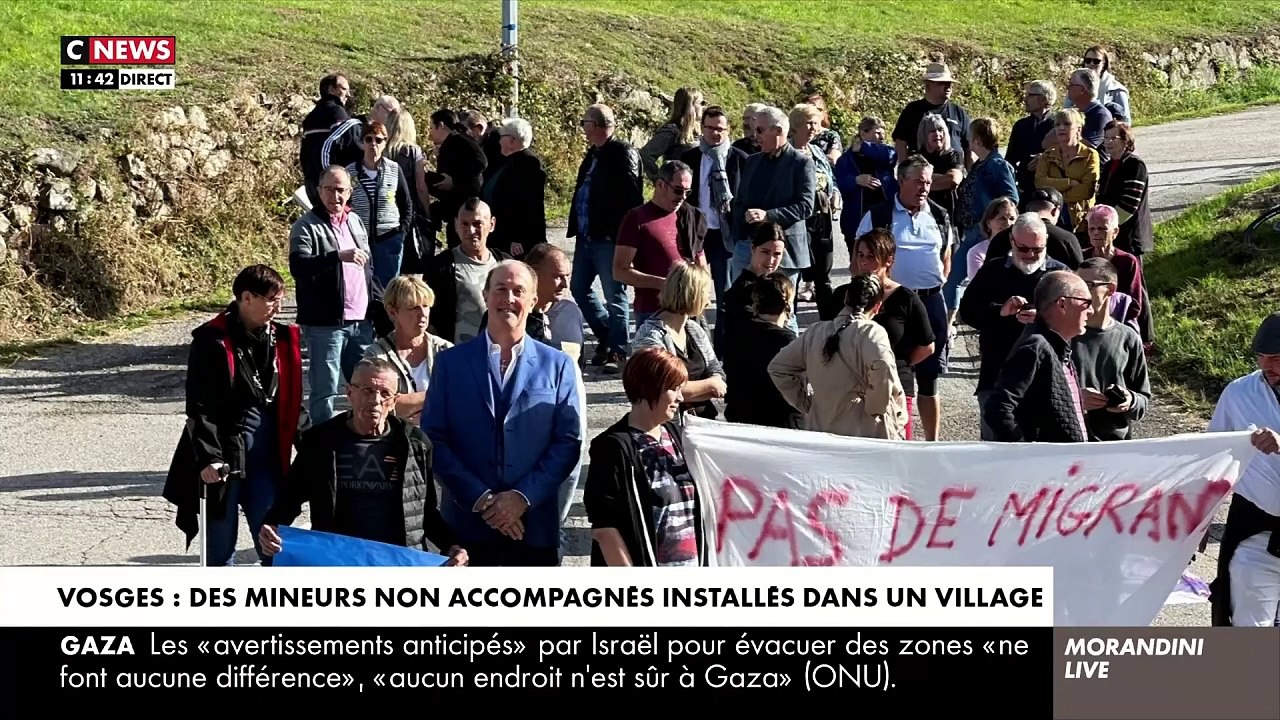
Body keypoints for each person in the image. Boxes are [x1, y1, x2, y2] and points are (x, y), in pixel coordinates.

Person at [422, 260, 585, 566]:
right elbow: (433, 439)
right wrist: (482, 500)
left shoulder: (558, 365)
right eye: (500, 289)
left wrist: (521, 498)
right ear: (485, 295)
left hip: (534, 527)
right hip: (466, 527)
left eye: (518, 291)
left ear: (533, 301)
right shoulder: (450, 364)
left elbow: (567, 442)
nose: (508, 298)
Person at [258, 358, 468, 566]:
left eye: (385, 393)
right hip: (338, 560)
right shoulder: (320, 442)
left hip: (399, 561)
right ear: (349, 393)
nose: (375, 400)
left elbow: (425, 512)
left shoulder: (416, 444)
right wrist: (271, 528)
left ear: (394, 401)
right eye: (367, 390)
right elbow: (289, 499)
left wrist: (452, 546)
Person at [162, 265, 304, 566]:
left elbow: (292, 401)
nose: (278, 308)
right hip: (225, 457)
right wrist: (208, 457)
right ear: (246, 298)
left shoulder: (281, 338)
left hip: (266, 458)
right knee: (220, 550)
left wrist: (314, 444)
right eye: (272, 300)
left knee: (273, 545)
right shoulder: (211, 340)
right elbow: (200, 406)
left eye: (280, 300)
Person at [584, 347, 710, 566]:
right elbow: (605, 530)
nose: (680, 397)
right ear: (648, 388)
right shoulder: (611, 448)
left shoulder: (678, 436)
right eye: (673, 389)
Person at [769, 273, 907, 439]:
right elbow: (882, 366)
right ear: (878, 306)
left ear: (846, 298)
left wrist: (805, 402)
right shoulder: (872, 332)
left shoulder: (815, 332)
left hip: (820, 426)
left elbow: (778, 368)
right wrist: (875, 407)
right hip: (864, 429)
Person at [1207, 312, 1280, 627]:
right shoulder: (1239, 393)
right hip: (1256, 534)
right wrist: (1201, 520)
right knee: (1249, 631)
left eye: (1276, 359)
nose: (1266, 366)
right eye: (1261, 357)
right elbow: (1213, 459)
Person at [289, 165, 376, 425]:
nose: (335, 196)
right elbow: (299, 267)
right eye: (329, 189)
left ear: (349, 192)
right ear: (318, 191)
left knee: (365, 387)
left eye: (340, 190)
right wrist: (336, 256)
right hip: (325, 324)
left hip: (361, 321)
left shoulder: (355, 221)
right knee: (325, 390)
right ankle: (322, 443)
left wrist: (377, 306)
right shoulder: (305, 226)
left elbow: (369, 267)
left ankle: (359, 437)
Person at [830, 229, 936, 440]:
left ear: (889, 261)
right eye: (860, 255)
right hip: (849, 386)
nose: (863, 262)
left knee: (897, 449)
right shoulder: (843, 294)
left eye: (871, 257)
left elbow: (927, 346)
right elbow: (828, 333)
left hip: (894, 387)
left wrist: (897, 364)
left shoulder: (906, 298)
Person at [982, 270, 1094, 443]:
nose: (1091, 310)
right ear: (1062, 304)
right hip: (1045, 460)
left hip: (1068, 459)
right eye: (1086, 302)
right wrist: (1027, 450)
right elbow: (998, 408)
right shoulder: (1035, 348)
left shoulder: (1059, 348)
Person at [631, 261, 726, 419]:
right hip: (669, 423)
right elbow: (662, 390)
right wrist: (709, 385)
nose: (709, 301)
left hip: (704, 419)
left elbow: (717, 372)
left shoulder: (694, 329)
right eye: (705, 293)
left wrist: (696, 389)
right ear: (692, 294)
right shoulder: (650, 336)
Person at [1071, 258, 1150, 441]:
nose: (1079, 293)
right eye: (1076, 285)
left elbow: (1143, 399)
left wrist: (1130, 400)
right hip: (1068, 443)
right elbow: (1032, 397)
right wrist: (1074, 399)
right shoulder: (1062, 334)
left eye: (1088, 285)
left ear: (1110, 289)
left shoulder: (1128, 338)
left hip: (1114, 444)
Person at [362, 274, 453, 424]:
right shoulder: (376, 355)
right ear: (392, 312)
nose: (422, 314)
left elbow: (461, 398)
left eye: (426, 306)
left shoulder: (445, 350)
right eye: (414, 308)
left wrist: (410, 405)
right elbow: (379, 404)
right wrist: (438, 396)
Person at [722, 272, 801, 429]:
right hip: (779, 420)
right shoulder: (788, 341)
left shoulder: (740, 330)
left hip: (740, 415)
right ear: (788, 304)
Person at [720, 221, 785, 345]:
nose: (771, 260)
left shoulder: (777, 283)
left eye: (777, 254)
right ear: (753, 249)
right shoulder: (742, 289)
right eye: (765, 252)